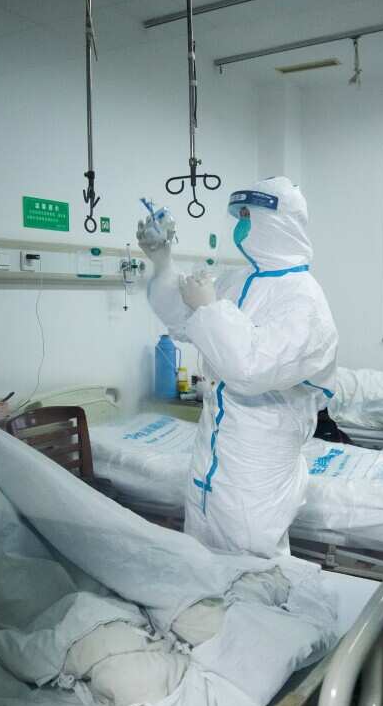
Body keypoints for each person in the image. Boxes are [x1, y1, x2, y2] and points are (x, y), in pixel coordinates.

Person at [138, 176, 339, 557]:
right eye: (240, 216)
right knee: (202, 548)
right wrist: (162, 261)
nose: (241, 225)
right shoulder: (239, 281)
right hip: (214, 445)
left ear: (278, 222)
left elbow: (250, 370)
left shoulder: (305, 301)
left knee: (250, 555)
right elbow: (183, 320)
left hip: (259, 455)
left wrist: (210, 308)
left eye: (249, 215)